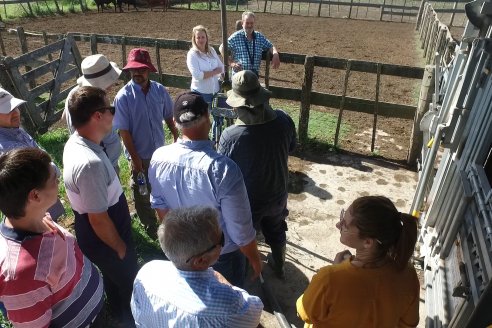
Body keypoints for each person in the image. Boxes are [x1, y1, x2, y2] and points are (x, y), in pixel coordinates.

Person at [148, 91, 262, 287]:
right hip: (221, 255)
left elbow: (160, 205)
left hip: (183, 254)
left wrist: (179, 242)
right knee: (228, 301)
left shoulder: (158, 158)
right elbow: (240, 230)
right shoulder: (224, 169)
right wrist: (254, 258)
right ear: (208, 117)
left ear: (175, 122)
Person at [0, 147, 104, 327]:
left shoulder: (32, 216)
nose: (58, 179)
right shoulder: (20, 276)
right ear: (35, 195)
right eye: (53, 178)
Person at [63, 86, 139, 327]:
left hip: (99, 229)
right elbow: (98, 218)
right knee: (128, 281)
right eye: (110, 109)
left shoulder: (80, 142)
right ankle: (131, 319)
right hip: (105, 232)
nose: (113, 114)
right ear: (97, 116)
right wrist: (120, 247)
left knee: (114, 278)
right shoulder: (90, 164)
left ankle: (117, 311)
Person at [218, 70, 296, 280]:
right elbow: (291, 147)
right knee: (277, 228)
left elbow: (222, 171)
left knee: (244, 237)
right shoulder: (283, 120)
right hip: (278, 192)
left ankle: (247, 273)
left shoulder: (231, 136)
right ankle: (279, 265)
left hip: (247, 201)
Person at [296, 196, 420, 328]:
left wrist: (336, 270)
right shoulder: (408, 274)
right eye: (342, 216)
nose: (338, 225)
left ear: (368, 242)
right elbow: (408, 324)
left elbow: (304, 313)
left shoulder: (329, 278)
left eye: (345, 225)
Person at [131, 206, 263, 327]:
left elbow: (139, 318)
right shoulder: (229, 303)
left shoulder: (147, 272)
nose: (225, 240)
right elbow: (254, 315)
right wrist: (227, 285)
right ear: (201, 261)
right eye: (221, 239)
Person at [114, 47, 179, 239]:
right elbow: (124, 131)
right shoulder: (123, 97)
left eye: (141, 70)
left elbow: (168, 115)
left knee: (160, 185)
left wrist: (176, 135)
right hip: (139, 153)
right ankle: (149, 224)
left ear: (148, 70)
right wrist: (135, 159)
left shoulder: (159, 91)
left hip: (160, 151)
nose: (137, 74)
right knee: (141, 189)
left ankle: (164, 218)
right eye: (134, 70)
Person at [0, 87, 65, 220]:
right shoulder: (6, 147)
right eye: (8, 110)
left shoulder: (14, 129)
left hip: (43, 199)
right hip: (35, 209)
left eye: (15, 107)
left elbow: (40, 154)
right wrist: (50, 168)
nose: (15, 113)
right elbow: (49, 169)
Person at [63, 54, 122, 174]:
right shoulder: (93, 103)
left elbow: (64, 116)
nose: (112, 85)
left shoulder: (73, 94)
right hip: (104, 165)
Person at [186, 25, 224, 143]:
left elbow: (221, 67)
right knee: (202, 120)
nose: (201, 40)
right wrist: (215, 72)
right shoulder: (192, 55)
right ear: (194, 39)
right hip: (201, 92)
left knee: (218, 118)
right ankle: (203, 142)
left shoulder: (211, 51)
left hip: (215, 91)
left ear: (206, 38)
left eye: (203, 37)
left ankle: (216, 141)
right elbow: (198, 75)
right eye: (198, 38)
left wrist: (216, 72)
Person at [227, 11, 280, 76]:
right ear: (242, 23)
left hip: (253, 78)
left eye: (251, 23)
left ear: (254, 23)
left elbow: (270, 46)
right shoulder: (235, 37)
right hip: (239, 78)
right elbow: (221, 48)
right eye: (247, 23)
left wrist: (275, 54)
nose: (249, 25)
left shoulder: (259, 37)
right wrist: (231, 63)